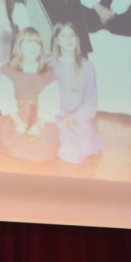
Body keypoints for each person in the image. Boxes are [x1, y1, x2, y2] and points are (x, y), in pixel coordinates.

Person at [0, 27, 59, 161]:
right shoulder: (9, 69)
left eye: (37, 43)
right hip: (16, 114)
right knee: (17, 144)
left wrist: (39, 125)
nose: (33, 47)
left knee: (42, 149)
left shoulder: (47, 72)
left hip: (40, 114)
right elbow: (5, 99)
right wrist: (18, 121)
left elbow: (52, 102)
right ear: (20, 46)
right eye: (29, 42)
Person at [49, 21, 101, 163]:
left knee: (87, 149)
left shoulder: (87, 66)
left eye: (72, 35)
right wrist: (62, 115)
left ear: (77, 39)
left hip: (78, 116)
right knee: (70, 148)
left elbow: (91, 100)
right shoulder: (49, 65)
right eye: (64, 36)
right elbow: (45, 98)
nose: (69, 39)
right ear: (57, 41)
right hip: (56, 116)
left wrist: (74, 117)